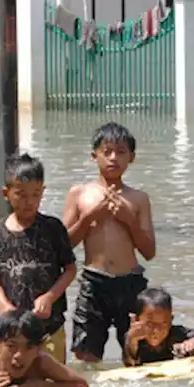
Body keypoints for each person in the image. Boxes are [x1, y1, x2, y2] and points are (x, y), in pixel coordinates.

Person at [62, 122, 156, 363]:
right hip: (94, 282)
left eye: (121, 152)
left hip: (131, 282)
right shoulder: (79, 194)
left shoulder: (138, 199)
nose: (113, 158)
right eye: (107, 152)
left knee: (137, 354)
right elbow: (62, 246)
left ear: (131, 158)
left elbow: (149, 251)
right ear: (94, 156)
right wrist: (89, 218)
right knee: (86, 354)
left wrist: (129, 221)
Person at [0, 154, 77, 362]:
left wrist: (50, 297)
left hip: (49, 327)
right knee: (12, 380)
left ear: (43, 192)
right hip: (12, 331)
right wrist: (3, 305)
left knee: (54, 380)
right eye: (21, 194)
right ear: (6, 193)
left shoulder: (52, 228)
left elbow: (70, 269)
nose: (29, 202)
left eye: (36, 194)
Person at [123, 287, 194, 367]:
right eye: (149, 324)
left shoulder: (177, 334)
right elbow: (129, 362)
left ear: (171, 320)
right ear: (136, 320)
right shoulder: (134, 339)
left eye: (163, 324)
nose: (156, 331)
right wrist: (131, 340)